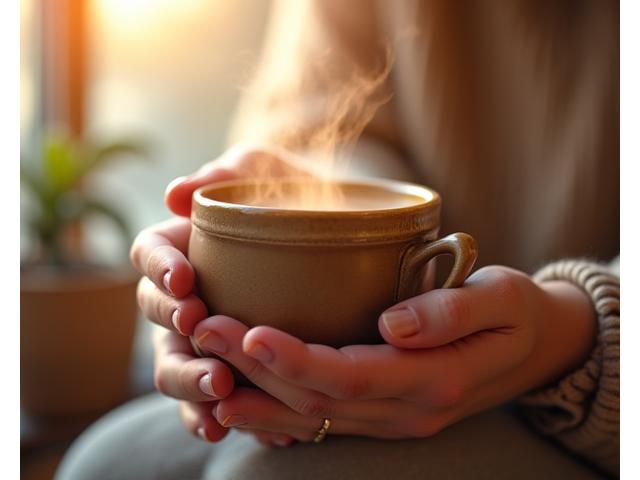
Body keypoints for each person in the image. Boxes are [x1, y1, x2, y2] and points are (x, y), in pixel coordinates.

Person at [56, 1, 619, 478]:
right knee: (106, 461)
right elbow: (329, 115)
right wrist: (286, 198)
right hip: (376, 350)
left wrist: (581, 336)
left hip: (600, 384)